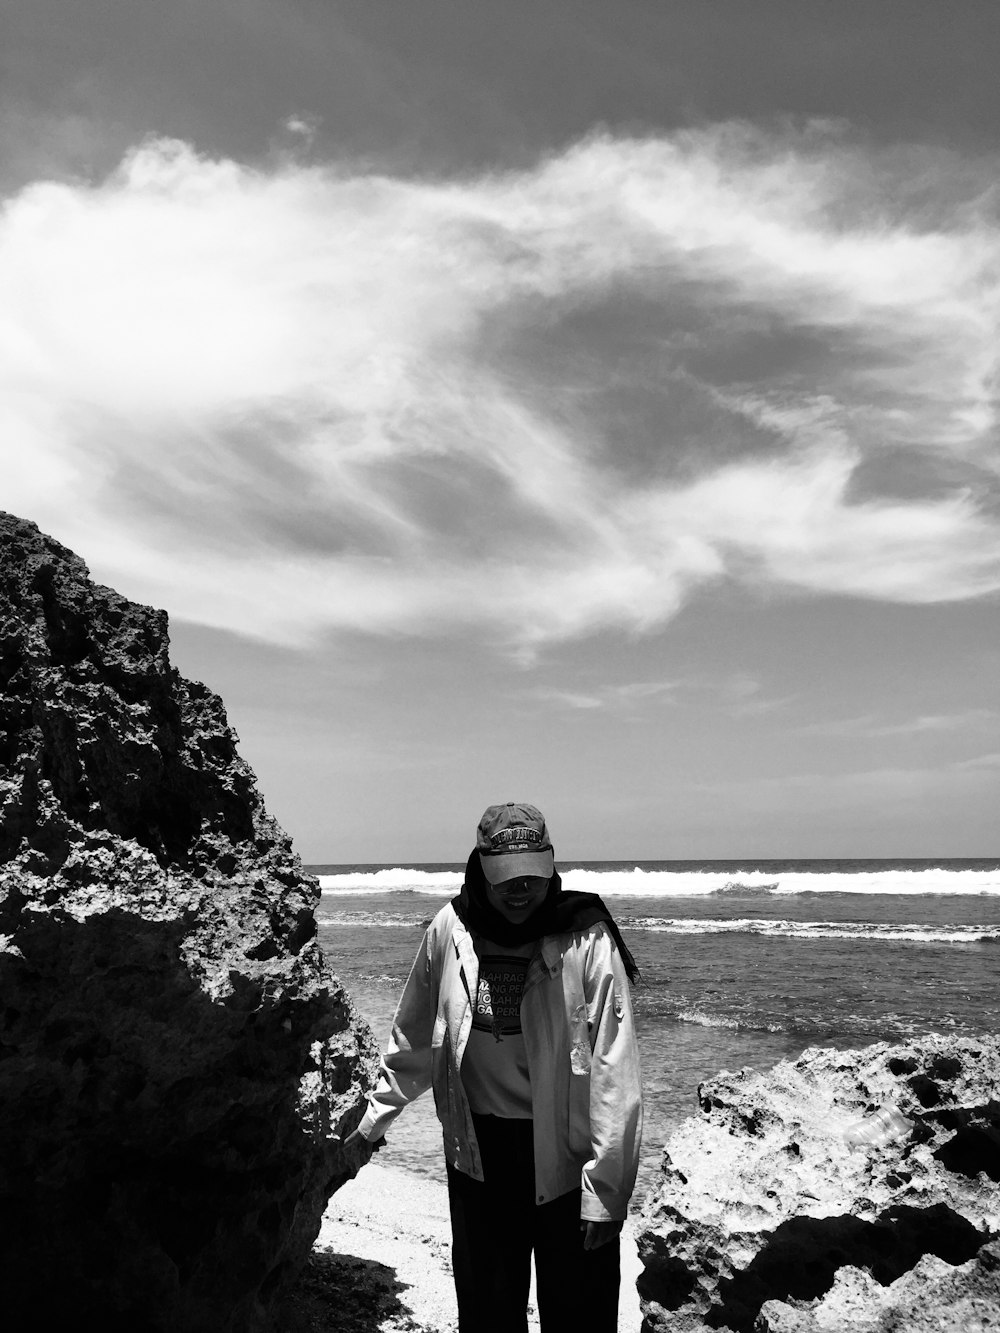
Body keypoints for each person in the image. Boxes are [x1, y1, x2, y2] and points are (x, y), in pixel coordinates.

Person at [350, 801, 643, 1333]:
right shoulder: (450, 928)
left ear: (551, 866)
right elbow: (415, 1034)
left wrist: (608, 1190)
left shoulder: (587, 937)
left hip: (568, 1159)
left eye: (531, 876)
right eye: (505, 877)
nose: (519, 891)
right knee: (487, 1314)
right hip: (478, 1155)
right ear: (479, 868)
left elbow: (614, 1072)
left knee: (580, 1315)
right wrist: (376, 1116)